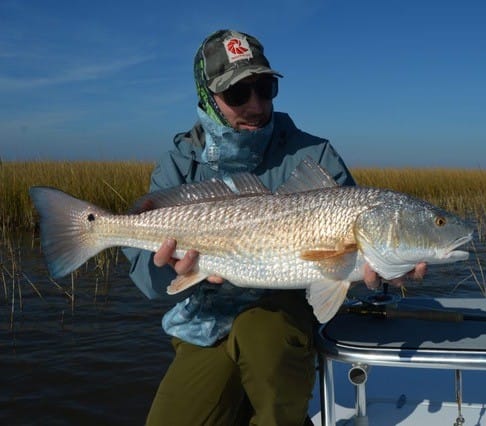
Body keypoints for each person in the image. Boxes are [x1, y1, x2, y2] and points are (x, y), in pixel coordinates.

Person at [123, 29, 427, 426]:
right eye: (237, 94)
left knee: (264, 338)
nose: (255, 105)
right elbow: (146, 278)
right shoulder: (179, 164)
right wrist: (166, 265)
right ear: (206, 98)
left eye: (265, 89)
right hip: (203, 322)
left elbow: (362, 253)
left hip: (285, 314)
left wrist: (389, 271)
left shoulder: (312, 156)